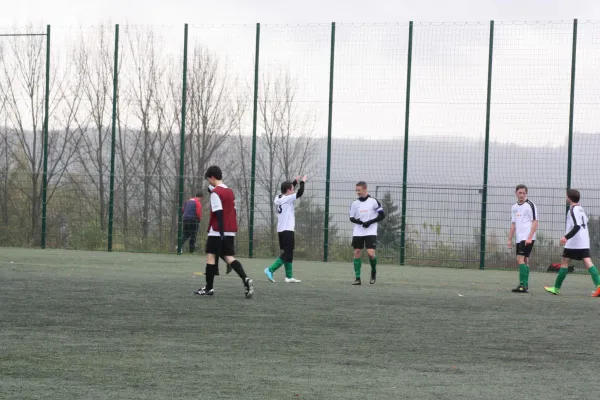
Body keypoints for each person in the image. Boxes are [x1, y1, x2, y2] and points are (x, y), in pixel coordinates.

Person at [193, 165, 254, 298]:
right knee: (228, 257)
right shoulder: (229, 191)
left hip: (217, 230)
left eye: (209, 179)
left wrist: (220, 233)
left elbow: (219, 213)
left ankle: (209, 288)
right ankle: (245, 279)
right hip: (230, 230)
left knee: (211, 256)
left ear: (213, 178)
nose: (208, 182)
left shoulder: (216, 193)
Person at [544, 189, 600, 297]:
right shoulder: (581, 209)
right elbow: (584, 223)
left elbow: (577, 226)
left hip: (574, 242)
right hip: (584, 241)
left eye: (566, 196)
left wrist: (566, 237)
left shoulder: (573, 210)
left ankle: (556, 288)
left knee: (564, 262)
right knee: (588, 262)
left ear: (569, 198)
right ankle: (599, 285)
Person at [264, 175, 307, 283]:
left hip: (281, 230)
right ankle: (270, 269)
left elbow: (289, 189)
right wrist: (302, 182)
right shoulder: (288, 198)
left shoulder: (278, 197)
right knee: (287, 254)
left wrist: (294, 182)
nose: (293, 190)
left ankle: (289, 277)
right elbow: (300, 193)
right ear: (288, 190)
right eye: (292, 189)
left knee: (289, 252)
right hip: (287, 230)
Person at [349, 181, 385, 285]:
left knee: (371, 254)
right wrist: (360, 222)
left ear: (365, 189)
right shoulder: (355, 203)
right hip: (358, 231)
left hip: (370, 231)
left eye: (359, 190)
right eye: (356, 190)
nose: (357, 192)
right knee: (356, 252)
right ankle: (357, 278)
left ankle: (373, 272)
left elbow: (382, 215)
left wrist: (370, 222)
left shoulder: (373, 201)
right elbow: (351, 218)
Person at [507, 184, 538, 293]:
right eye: (520, 193)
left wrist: (529, 237)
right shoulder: (514, 207)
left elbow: (535, 221)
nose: (522, 195)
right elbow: (513, 224)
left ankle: (521, 285)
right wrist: (509, 239)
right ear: (516, 193)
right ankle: (525, 285)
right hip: (519, 238)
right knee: (524, 260)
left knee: (520, 259)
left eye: (524, 193)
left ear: (526, 194)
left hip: (527, 237)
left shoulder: (530, 205)